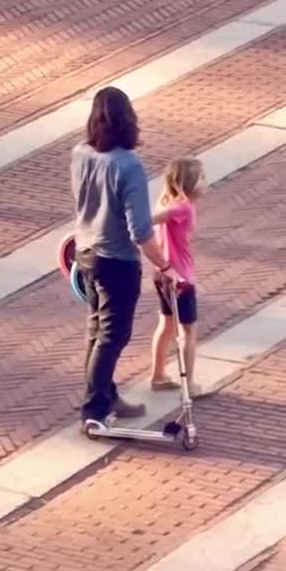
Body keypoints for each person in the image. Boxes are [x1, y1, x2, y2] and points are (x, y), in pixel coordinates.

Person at [70, 86, 175, 429]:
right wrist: (164, 264)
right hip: (117, 260)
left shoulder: (81, 153)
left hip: (86, 252)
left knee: (97, 330)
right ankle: (95, 409)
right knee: (113, 335)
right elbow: (140, 230)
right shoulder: (128, 165)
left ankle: (104, 395)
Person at [149, 157, 207, 398]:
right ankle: (189, 384)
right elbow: (153, 219)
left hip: (161, 273)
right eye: (202, 178)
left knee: (166, 324)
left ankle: (158, 375)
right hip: (179, 276)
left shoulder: (168, 202)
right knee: (189, 331)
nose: (205, 182)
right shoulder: (182, 207)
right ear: (188, 184)